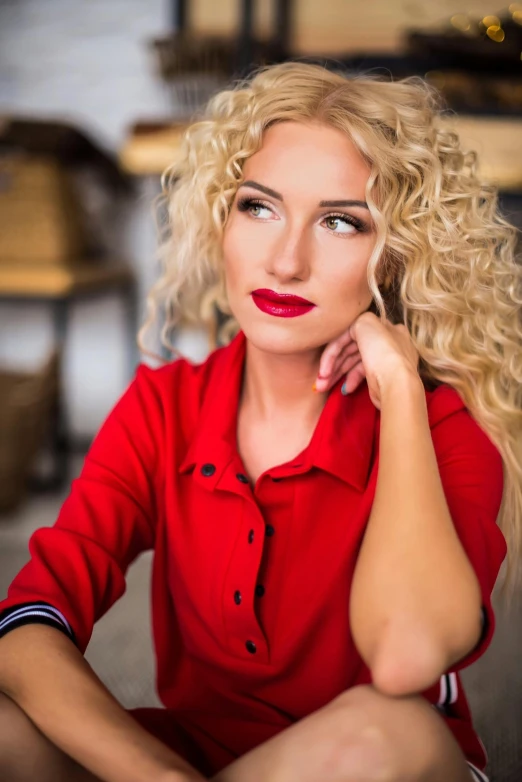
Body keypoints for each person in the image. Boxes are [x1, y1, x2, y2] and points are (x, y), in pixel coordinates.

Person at [0, 61, 521, 782]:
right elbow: (27, 627)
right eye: (259, 207)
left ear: (396, 256)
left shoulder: (444, 427)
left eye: (341, 222)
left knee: (385, 731)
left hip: (372, 765)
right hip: (191, 756)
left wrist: (399, 386)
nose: (285, 261)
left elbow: (407, 657)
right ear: (220, 218)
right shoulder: (165, 405)